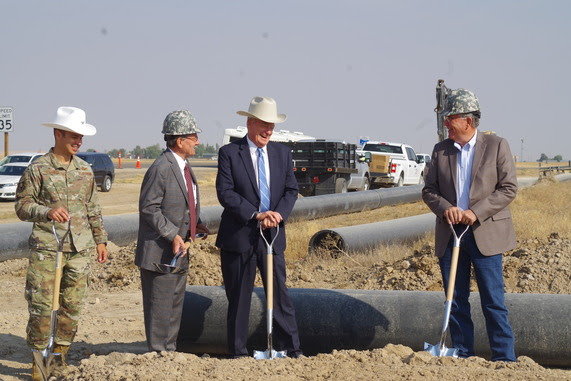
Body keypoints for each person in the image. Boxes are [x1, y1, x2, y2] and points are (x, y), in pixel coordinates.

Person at [422, 88, 517, 361]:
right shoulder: (441, 151)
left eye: (449, 117)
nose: (445, 124)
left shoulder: (497, 146)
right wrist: (446, 208)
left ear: (467, 120)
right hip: (452, 234)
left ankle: (504, 358)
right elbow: (429, 191)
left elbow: (508, 188)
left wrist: (476, 212)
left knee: (493, 302)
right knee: (455, 300)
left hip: (485, 233)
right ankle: (462, 354)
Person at [15, 106, 109, 380]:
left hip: (79, 250)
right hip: (48, 250)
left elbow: (93, 207)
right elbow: (22, 206)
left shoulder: (85, 170)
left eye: (81, 137)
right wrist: (46, 212)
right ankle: (39, 363)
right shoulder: (39, 169)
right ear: (58, 134)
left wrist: (101, 240)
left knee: (71, 308)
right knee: (43, 309)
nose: (78, 141)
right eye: (72, 136)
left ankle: (59, 359)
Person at [216, 96, 303, 358]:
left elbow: (291, 190)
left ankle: (290, 348)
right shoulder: (230, 153)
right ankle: (238, 352)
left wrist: (277, 214)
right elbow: (226, 193)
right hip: (239, 236)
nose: (268, 130)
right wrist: (255, 214)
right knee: (239, 298)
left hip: (272, 235)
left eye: (272, 125)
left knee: (279, 295)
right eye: (264, 124)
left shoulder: (282, 153)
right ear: (250, 123)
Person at [135, 110, 209, 352]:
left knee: (174, 306)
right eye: (193, 136)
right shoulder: (162, 167)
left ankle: (168, 353)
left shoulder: (183, 167)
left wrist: (195, 227)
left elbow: (186, 204)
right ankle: (159, 356)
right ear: (179, 141)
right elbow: (149, 207)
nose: (198, 141)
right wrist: (172, 234)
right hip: (160, 253)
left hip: (179, 250)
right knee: (160, 308)